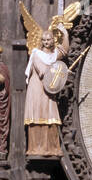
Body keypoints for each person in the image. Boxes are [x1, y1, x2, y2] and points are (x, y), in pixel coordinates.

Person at [24, 24, 69, 157]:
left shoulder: (53, 55)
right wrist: (60, 71)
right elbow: (43, 71)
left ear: (53, 40)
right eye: (43, 40)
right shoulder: (37, 54)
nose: (46, 42)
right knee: (37, 114)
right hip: (38, 89)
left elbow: (64, 50)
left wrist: (65, 34)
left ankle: (52, 148)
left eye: (48, 39)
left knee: (51, 116)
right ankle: (35, 148)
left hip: (48, 90)